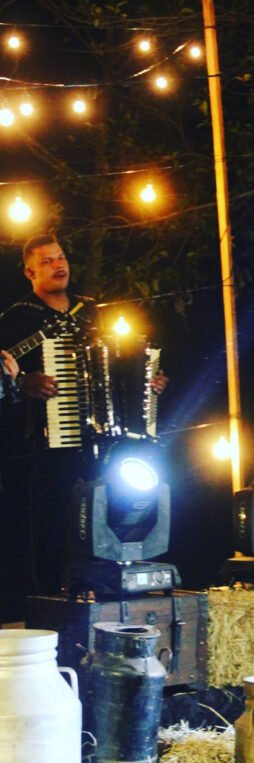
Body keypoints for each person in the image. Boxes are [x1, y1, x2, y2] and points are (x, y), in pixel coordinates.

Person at [0, 233, 169, 599]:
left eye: (60, 258)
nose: (58, 265)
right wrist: (25, 381)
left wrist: (148, 382)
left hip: (107, 438)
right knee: (53, 521)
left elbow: (121, 357)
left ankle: (104, 591)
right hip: (51, 438)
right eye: (47, 261)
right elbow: (5, 374)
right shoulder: (17, 319)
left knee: (108, 514)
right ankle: (52, 599)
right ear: (29, 272)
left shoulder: (91, 310)